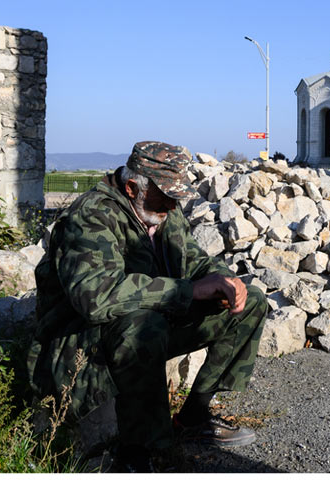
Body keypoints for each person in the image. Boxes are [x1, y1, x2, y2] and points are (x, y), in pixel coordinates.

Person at [27, 141, 268, 472]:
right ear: (131, 187)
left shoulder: (162, 210)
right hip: (80, 341)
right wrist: (187, 291)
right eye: (165, 195)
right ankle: (140, 453)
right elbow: (97, 298)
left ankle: (194, 418)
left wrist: (224, 281)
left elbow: (193, 261)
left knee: (252, 301)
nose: (172, 204)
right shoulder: (90, 218)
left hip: (145, 324)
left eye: (176, 196)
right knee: (144, 327)